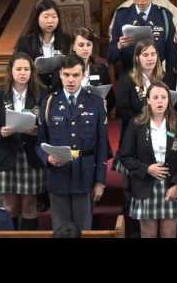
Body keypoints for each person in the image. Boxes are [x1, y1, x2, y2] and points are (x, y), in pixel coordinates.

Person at [36, 55, 108, 231]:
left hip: (85, 174)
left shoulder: (95, 103)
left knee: (83, 229)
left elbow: (102, 145)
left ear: (83, 75)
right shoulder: (49, 102)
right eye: (67, 74)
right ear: (60, 74)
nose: (70, 80)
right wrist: (47, 158)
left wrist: (100, 181)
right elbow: (39, 142)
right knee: (60, 230)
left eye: (75, 75)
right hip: (58, 175)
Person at [119, 82, 177, 238]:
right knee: (148, 235)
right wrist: (147, 169)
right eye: (155, 97)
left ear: (169, 100)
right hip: (145, 186)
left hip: (170, 186)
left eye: (163, 97)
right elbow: (125, 156)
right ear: (148, 101)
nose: (160, 101)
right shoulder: (136, 124)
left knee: (168, 234)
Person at [113, 38, 166, 237]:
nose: (150, 58)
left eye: (153, 54)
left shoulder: (163, 78)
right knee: (131, 189)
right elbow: (121, 109)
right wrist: (144, 118)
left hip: (159, 138)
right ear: (137, 58)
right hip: (133, 140)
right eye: (145, 55)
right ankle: (131, 231)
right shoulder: (128, 79)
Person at [0, 52, 45, 230]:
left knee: (29, 204)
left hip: (31, 155)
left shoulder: (41, 94)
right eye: (19, 69)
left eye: (26, 69)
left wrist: (37, 131)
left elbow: (48, 124)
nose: (23, 73)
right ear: (11, 71)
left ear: (32, 72)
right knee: (11, 206)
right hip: (7, 153)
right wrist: (0, 132)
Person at [108, 0, 177, 88]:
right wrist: (119, 46)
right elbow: (110, 57)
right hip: (129, 81)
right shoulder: (122, 16)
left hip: (157, 81)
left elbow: (172, 56)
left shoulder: (164, 16)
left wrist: (169, 86)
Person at [52, 27, 115, 114]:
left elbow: (110, 99)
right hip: (68, 115)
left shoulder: (101, 69)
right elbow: (55, 97)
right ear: (73, 47)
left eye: (88, 45)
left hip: (93, 115)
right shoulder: (62, 68)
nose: (85, 48)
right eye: (81, 45)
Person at [15, 0, 72, 91]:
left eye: (54, 17)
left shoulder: (66, 39)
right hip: (34, 88)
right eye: (46, 17)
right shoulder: (26, 42)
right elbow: (19, 66)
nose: (50, 21)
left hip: (60, 88)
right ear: (37, 18)